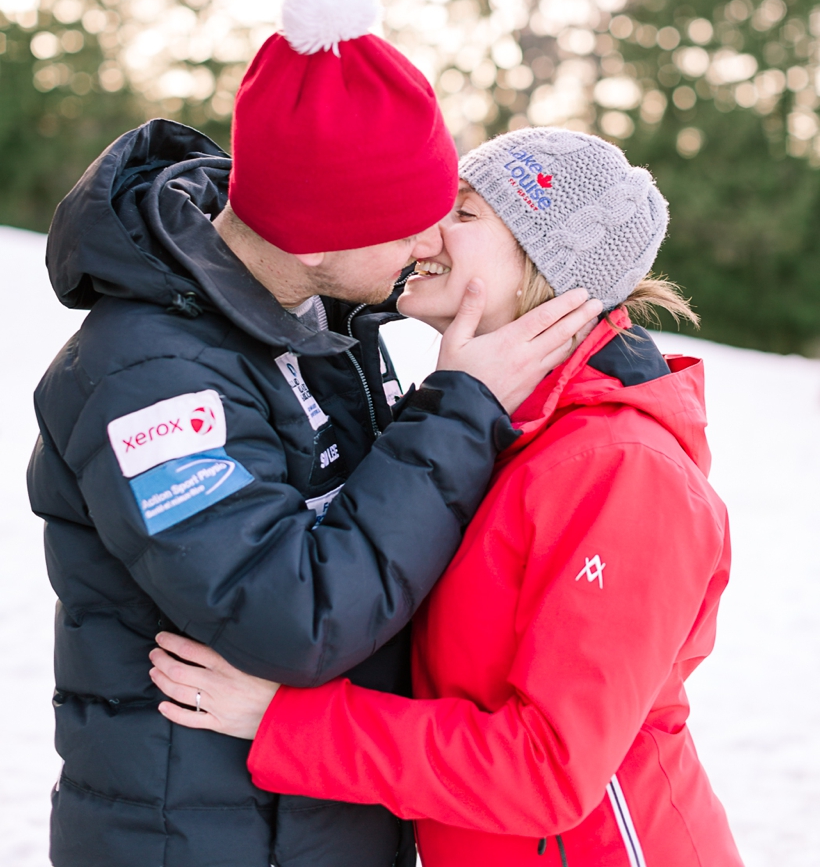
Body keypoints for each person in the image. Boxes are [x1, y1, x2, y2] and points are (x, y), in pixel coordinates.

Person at [28, 0, 600, 867]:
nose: (432, 242)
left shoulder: (312, 320)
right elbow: (291, 618)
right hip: (197, 839)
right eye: (411, 220)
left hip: (307, 823)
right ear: (319, 235)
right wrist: (462, 409)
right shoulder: (148, 380)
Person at [149, 127, 744, 867]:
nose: (425, 230)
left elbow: (547, 768)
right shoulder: (497, 428)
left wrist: (287, 721)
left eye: (463, 214)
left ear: (543, 266)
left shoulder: (621, 469)